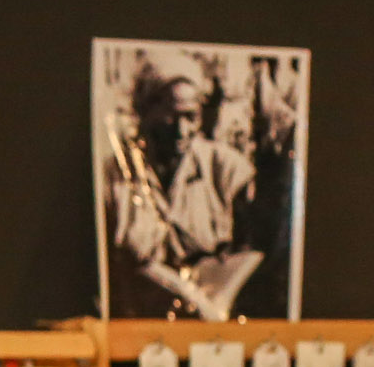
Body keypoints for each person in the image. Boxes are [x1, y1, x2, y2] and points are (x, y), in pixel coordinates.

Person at [104, 58, 262, 321]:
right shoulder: (117, 173)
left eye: (191, 117)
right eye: (170, 117)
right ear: (146, 113)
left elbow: (254, 250)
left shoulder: (226, 167)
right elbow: (131, 260)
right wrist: (192, 297)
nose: (181, 131)